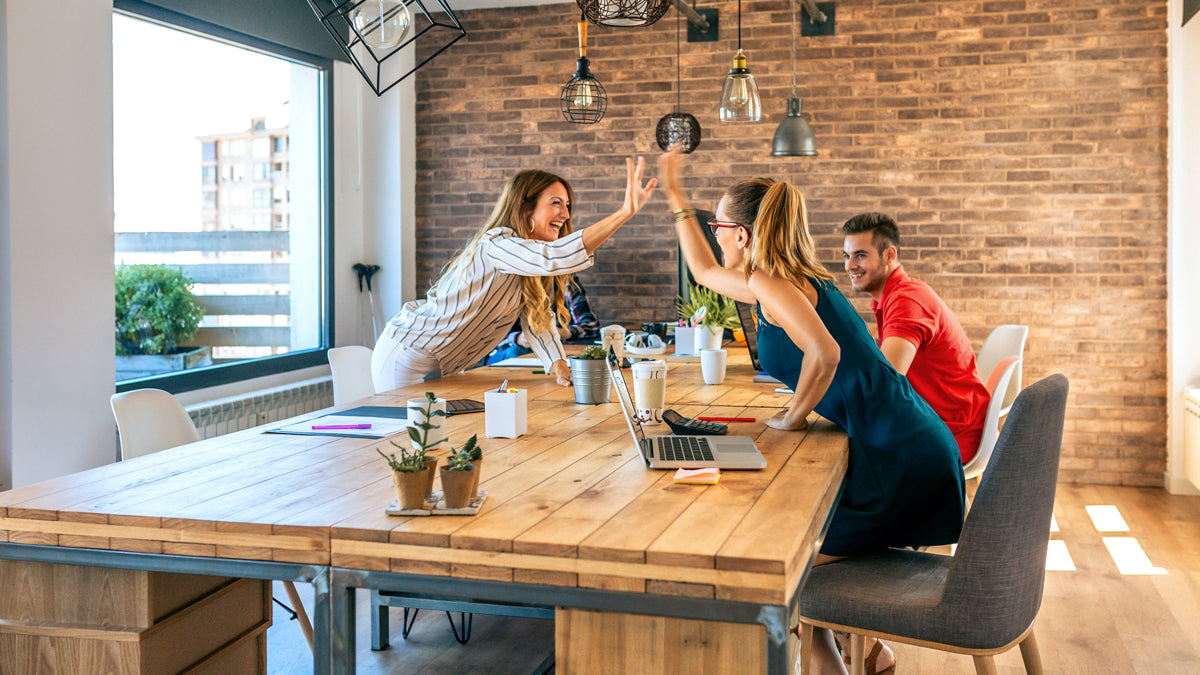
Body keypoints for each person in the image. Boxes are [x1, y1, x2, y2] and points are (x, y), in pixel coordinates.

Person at [660, 147, 964, 675]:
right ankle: (869, 653)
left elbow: (826, 354)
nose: (714, 234)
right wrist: (675, 200)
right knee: (795, 551)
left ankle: (838, 659)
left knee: (784, 566)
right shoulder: (776, 279)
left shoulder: (771, 283)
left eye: (718, 224)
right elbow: (705, 271)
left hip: (896, 457)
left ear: (744, 235)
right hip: (895, 441)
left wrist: (790, 418)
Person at [372, 158, 656, 391]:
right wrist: (624, 213)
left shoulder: (525, 264)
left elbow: (537, 320)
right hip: (407, 355)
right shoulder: (496, 245)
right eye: (556, 203)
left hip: (444, 362)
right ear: (525, 208)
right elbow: (553, 257)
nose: (565, 214)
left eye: (567, 205)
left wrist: (558, 365)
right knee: (412, 445)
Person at [842, 213, 990, 463]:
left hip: (951, 436)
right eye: (847, 256)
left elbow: (885, 385)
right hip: (940, 425)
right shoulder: (895, 296)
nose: (849, 265)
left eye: (860, 255)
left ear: (889, 255)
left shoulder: (905, 301)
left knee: (842, 454)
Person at [481, 276, 599, 366]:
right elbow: (484, 336)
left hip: (553, 353)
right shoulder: (504, 284)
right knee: (516, 353)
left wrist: (568, 332)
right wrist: (517, 338)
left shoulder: (565, 282)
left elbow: (591, 325)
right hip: (507, 352)